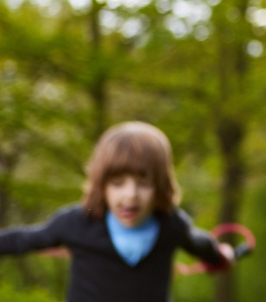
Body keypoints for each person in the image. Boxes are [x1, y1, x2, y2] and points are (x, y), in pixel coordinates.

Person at [0, 122, 234, 302]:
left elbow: (201, 244)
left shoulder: (171, 225)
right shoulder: (76, 223)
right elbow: (25, 239)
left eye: (143, 183)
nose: (130, 195)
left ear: (161, 185)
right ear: (101, 184)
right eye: (118, 182)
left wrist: (221, 256)